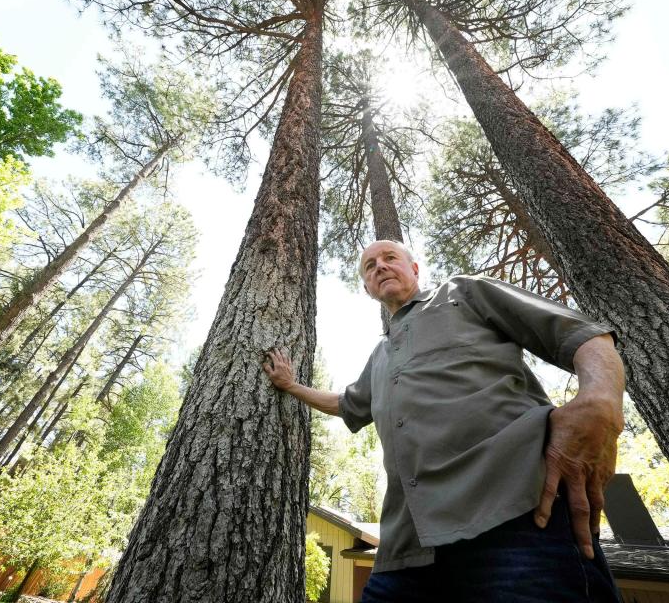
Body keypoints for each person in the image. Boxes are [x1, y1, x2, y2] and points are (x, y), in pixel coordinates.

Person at [263, 240, 625, 602]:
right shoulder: (380, 356)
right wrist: (290, 385)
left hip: (518, 519)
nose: (380, 267)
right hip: (406, 551)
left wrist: (598, 403)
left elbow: (583, 336)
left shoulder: (465, 292)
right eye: (370, 266)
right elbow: (346, 405)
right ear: (367, 288)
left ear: (415, 270)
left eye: (390, 258)